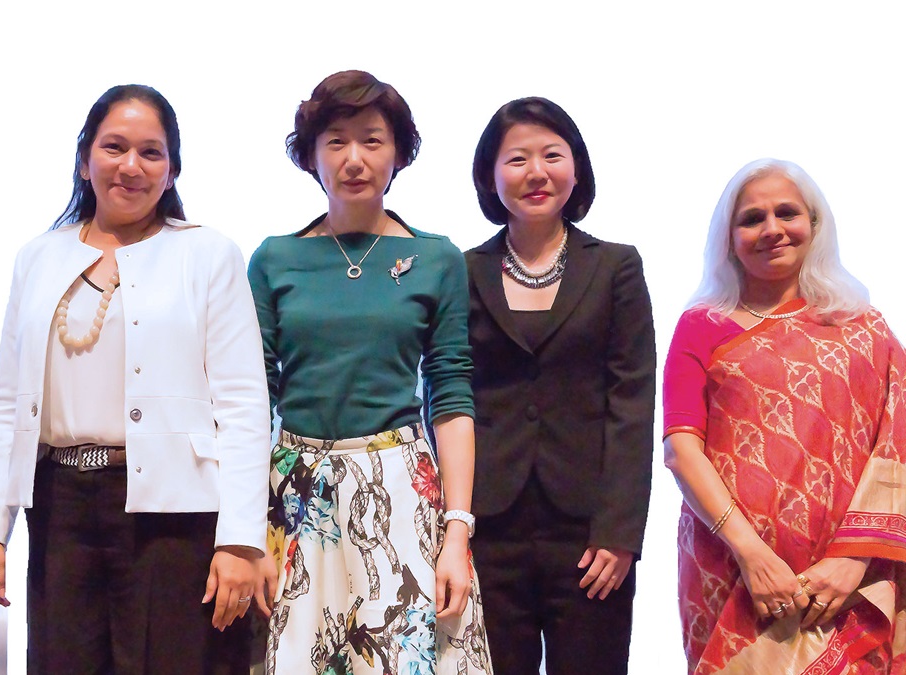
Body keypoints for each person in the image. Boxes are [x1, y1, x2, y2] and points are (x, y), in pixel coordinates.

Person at [0, 83, 269, 674]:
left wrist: (239, 539)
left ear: (172, 170)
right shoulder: (37, 257)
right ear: (85, 160)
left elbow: (242, 405)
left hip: (174, 514)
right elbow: (6, 402)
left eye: (151, 152)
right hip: (60, 505)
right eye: (114, 147)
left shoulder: (209, 254)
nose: (131, 166)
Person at [250, 70, 491, 675]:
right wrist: (249, 531)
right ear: (310, 156)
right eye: (336, 141)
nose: (354, 159)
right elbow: (253, 399)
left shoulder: (437, 258)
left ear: (399, 153)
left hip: (401, 488)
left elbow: (451, 394)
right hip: (295, 491)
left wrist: (457, 531)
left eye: (372, 140)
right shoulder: (275, 258)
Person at [663, 158, 906, 673]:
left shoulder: (863, 328)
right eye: (752, 219)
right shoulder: (701, 326)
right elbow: (681, 451)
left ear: (814, 225)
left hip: (847, 584)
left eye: (787, 213)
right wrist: (752, 556)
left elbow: (897, 448)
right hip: (732, 573)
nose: (772, 229)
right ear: (729, 239)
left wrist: (852, 559)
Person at [464, 96, 655, 674]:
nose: (536, 172)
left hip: (590, 533)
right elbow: (448, 398)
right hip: (488, 528)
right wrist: (453, 524)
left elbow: (632, 403)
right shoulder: (463, 270)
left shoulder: (616, 266)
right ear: (490, 176)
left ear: (577, 168)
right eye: (516, 159)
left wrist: (620, 532)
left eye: (552, 155)